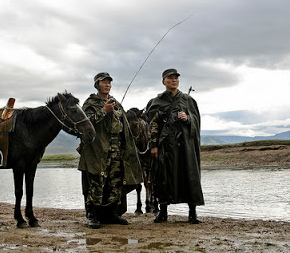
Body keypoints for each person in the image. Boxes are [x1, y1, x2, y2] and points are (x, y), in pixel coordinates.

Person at [78, 72, 142, 229]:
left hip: (116, 150)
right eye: (103, 82)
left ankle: (112, 213)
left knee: (115, 183)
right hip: (97, 151)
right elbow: (85, 125)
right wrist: (103, 111)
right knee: (96, 183)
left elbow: (124, 129)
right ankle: (92, 215)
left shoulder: (116, 104)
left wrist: (124, 148)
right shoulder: (90, 103)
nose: (107, 84)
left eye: (109, 82)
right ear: (97, 85)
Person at [146, 68, 204, 224]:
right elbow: (152, 124)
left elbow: (196, 120)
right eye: (170, 78)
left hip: (186, 146)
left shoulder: (188, 100)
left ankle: (193, 213)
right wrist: (153, 145)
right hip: (165, 145)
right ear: (163, 81)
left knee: (189, 175)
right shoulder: (156, 102)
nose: (174, 80)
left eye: (176, 78)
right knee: (163, 177)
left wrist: (187, 118)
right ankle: (163, 213)